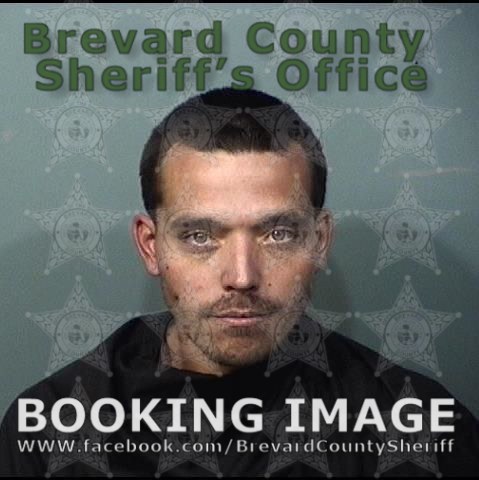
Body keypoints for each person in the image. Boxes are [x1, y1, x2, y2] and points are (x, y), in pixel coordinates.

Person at [0, 87, 478, 477]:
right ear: (150, 246)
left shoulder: (420, 430)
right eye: (200, 236)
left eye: (279, 233)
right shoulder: (52, 429)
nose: (242, 277)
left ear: (319, 241)